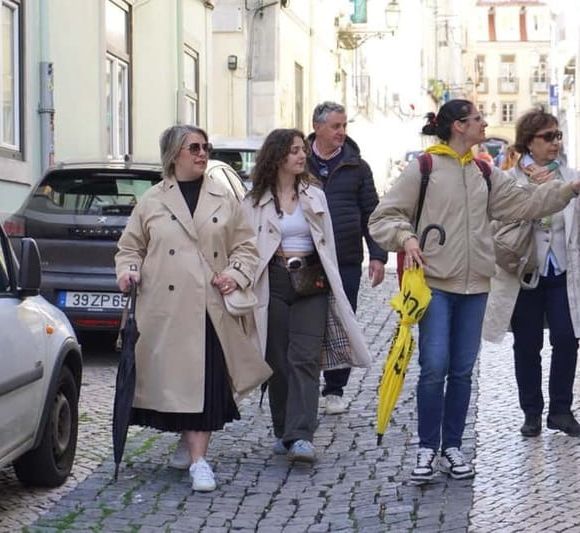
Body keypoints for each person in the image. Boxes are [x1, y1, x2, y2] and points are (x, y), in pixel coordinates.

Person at [368, 100, 580, 483]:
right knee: (434, 367)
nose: (485, 123)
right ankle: (427, 448)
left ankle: (453, 448)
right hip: (436, 284)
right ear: (458, 126)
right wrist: (406, 238)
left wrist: (571, 188)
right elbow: (383, 217)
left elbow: (526, 203)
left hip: (476, 286)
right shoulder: (424, 167)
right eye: (478, 118)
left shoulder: (484, 171)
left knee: (462, 371)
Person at [115, 125, 271, 492]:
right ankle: (188, 444)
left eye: (206, 147)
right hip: (165, 309)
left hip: (209, 307)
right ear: (174, 155)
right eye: (195, 148)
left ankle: (200, 461)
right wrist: (128, 271)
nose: (203, 154)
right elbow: (130, 247)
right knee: (175, 384)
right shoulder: (152, 200)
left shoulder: (223, 197)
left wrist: (235, 274)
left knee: (205, 384)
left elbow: (247, 247)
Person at [243, 128, 371, 464]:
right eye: (295, 150)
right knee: (278, 361)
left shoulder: (315, 195)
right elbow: (244, 246)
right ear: (277, 157)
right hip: (272, 280)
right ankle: (284, 429)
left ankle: (301, 435)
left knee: (305, 357)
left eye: (303, 149)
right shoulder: (254, 200)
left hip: (312, 280)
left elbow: (327, 242)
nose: (302, 156)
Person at [484, 108, 580, 439]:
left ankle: (561, 411)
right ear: (529, 142)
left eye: (558, 136)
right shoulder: (509, 180)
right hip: (524, 272)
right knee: (527, 346)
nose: (555, 142)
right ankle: (531, 413)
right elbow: (496, 224)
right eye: (548, 136)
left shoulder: (571, 177)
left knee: (567, 340)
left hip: (563, 271)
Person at [306, 101, 387, 415]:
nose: (341, 132)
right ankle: (306, 385)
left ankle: (334, 389)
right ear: (317, 127)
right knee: (307, 322)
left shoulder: (357, 166)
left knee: (342, 322)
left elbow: (372, 214)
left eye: (344, 126)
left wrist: (378, 255)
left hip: (346, 258)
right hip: (308, 258)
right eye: (335, 126)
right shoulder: (299, 161)